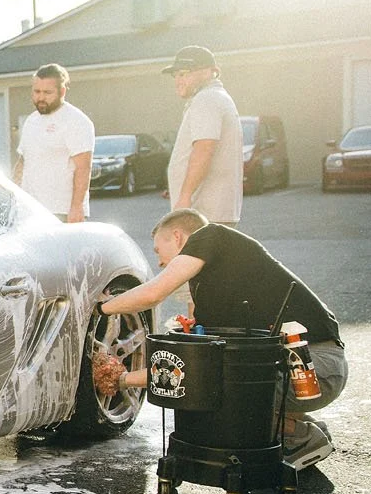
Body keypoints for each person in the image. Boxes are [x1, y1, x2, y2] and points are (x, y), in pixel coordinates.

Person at [97, 208, 346, 470]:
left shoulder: (211, 235)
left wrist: (101, 308)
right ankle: (294, 424)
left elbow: (154, 294)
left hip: (314, 365)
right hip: (316, 371)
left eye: (158, 250)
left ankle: (301, 436)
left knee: (217, 391)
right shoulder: (215, 290)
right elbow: (189, 366)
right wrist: (122, 379)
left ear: (178, 237)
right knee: (217, 378)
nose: (159, 262)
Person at [163, 45, 242, 227]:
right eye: (175, 75)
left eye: (184, 73)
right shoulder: (215, 97)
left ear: (209, 72)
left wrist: (184, 197)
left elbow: (204, 150)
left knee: (196, 256)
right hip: (210, 212)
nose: (178, 80)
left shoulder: (206, 99)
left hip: (203, 214)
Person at [13, 63, 94, 223]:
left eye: (47, 92)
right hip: (30, 210)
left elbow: (83, 167)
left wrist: (77, 207)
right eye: (37, 92)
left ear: (62, 91)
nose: (41, 97)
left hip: (61, 211)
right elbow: (23, 161)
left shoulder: (76, 121)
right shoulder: (31, 120)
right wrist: (13, 195)